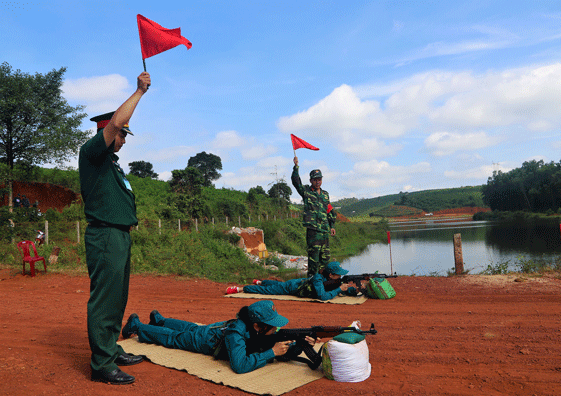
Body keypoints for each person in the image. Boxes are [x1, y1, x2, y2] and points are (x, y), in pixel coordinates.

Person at [78, 71, 151, 385]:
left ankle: (110, 348)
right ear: (106, 132)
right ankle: (101, 365)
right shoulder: (93, 154)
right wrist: (139, 92)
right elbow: (116, 124)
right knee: (104, 299)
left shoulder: (112, 164)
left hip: (119, 235)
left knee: (117, 297)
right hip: (105, 234)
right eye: (122, 134)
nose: (123, 140)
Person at [121, 300, 318, 374]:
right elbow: (239, 365)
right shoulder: (236, 333)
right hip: (207, 340)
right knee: (176, 337)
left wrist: (300, 345)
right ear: (258, 325)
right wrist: (271, 353)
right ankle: (137, 326)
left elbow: (275, 347)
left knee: (189, 327)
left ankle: (160, 320)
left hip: (215, 329)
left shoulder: (256, 328)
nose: (276, 329)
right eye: (272, 325)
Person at [291, 156, 336, 277]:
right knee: (313, 260)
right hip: (313, 232)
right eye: (315, 179)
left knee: (325, 258)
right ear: (311, 180)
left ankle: (323, 282)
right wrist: (296, 167)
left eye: (319, 179)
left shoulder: (325, 195)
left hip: (324, 231)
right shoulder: (306, 191)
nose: (318, 182)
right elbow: (296, 182)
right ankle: (311, 284)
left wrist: (332, 225)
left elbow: (329, 210)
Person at [226, 261, 358, 301]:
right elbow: (322, 296)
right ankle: (240, 288)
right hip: (293, 287)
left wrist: (354, 289)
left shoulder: (332, 281)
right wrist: (339, 289)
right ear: (331, 274)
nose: (340, 277)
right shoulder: (318, 278)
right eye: (338, 275)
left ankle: (260, 281)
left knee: (278, 284)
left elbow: (341, 289)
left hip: (298, 283)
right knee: (269, 291)